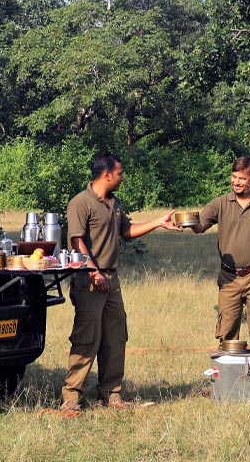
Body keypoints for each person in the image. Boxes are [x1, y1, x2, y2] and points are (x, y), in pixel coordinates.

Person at [59, 153, 180, 415]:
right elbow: (76, 241)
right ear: (107, 175)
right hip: (90, 279)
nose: (122, 177)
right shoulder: (80, 203)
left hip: (112, 279)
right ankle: (71, 398)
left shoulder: (113, 203)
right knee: (86, 338)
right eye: (120, 173)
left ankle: (111, 394)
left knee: (115, 337)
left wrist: (159, 222)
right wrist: (93, 273)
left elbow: (127, 231)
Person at [187, 156, 250, 351]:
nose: (236, 182)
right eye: (234, 177)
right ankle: (230, 379)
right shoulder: (220, 203)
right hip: (229, 277)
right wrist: (189, 222)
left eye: (242, 179)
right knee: (226, 332)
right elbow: (200, 226)